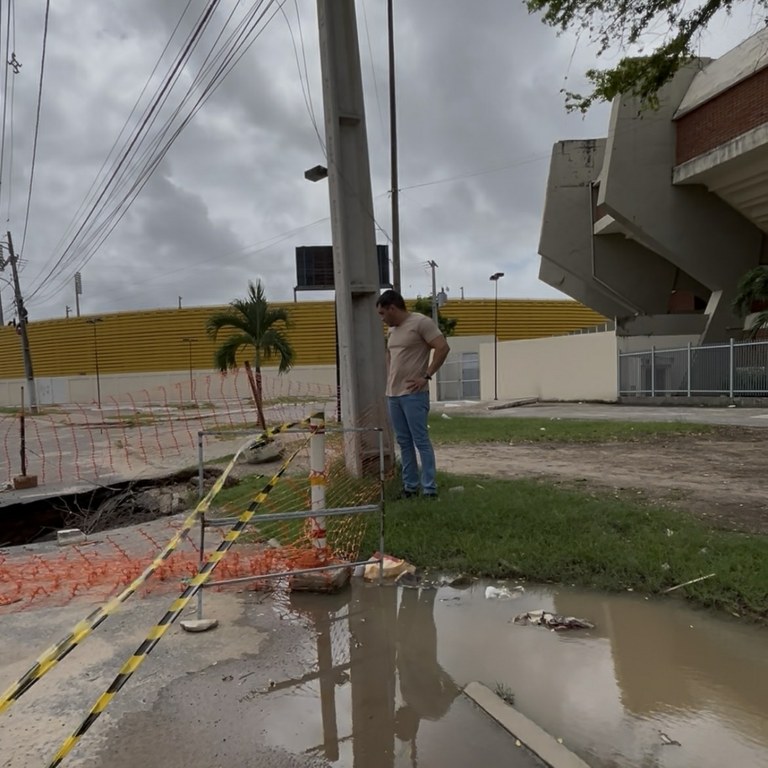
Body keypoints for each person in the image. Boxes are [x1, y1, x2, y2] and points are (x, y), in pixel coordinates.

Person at [376, 289, 450, 498]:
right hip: (393, 394)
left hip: (414, 394)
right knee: (403, 441)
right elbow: (390, 357)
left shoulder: (421, 323)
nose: (382, 319)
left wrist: (426, 376)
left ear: (392, 308)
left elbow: (442, 347)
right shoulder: (392, 331)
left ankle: (429, 488)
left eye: (383, 314)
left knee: (420, 440)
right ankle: (410, 486)